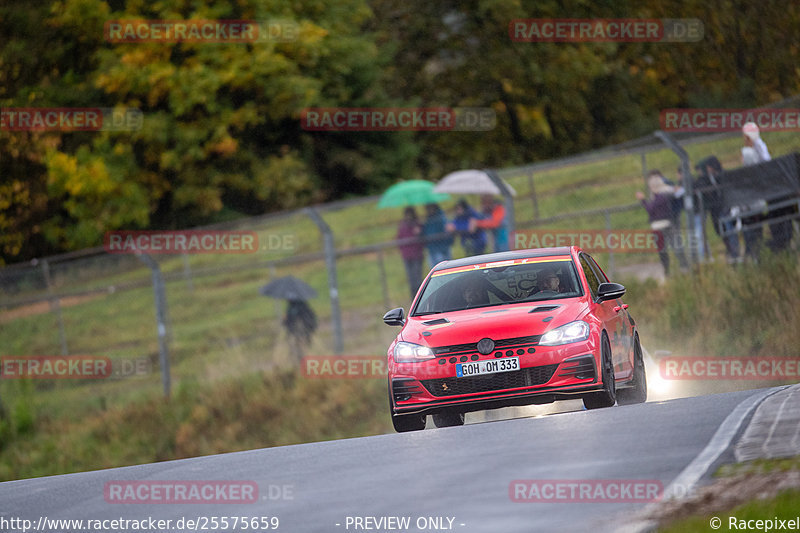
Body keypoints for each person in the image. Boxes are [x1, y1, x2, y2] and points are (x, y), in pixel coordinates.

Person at [636, 170, 689, 276]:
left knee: (673, 247)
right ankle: (669, 271)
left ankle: (682, 268)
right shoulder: (659, 196)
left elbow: (651, 209)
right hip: (661, 226)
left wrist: (643, 200)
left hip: (663, 225)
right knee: (664, 250)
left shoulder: (661, 196)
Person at [396, 206, 424, 297]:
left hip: (417, 255)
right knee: (411, 280)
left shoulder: (418, 225)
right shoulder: (403, 225)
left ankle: (419, 297)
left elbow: (422, 241)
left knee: (417, 279)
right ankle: (413, 298)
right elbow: (399, 239)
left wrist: (419, 233)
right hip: (407, 256)